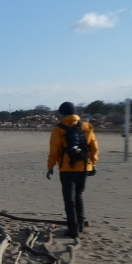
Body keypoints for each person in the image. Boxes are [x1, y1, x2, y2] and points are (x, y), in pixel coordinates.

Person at [46, 101, 99, 238]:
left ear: (62, 113)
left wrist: (50, 166)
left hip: (66, 168)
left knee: (69, 199)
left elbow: (54, 150)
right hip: (84, 166)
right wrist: (93, 163)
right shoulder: (87, 126)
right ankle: (80, 224)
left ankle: (73, 229)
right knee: (79, 195)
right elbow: (94, 147)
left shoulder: (59, 128)